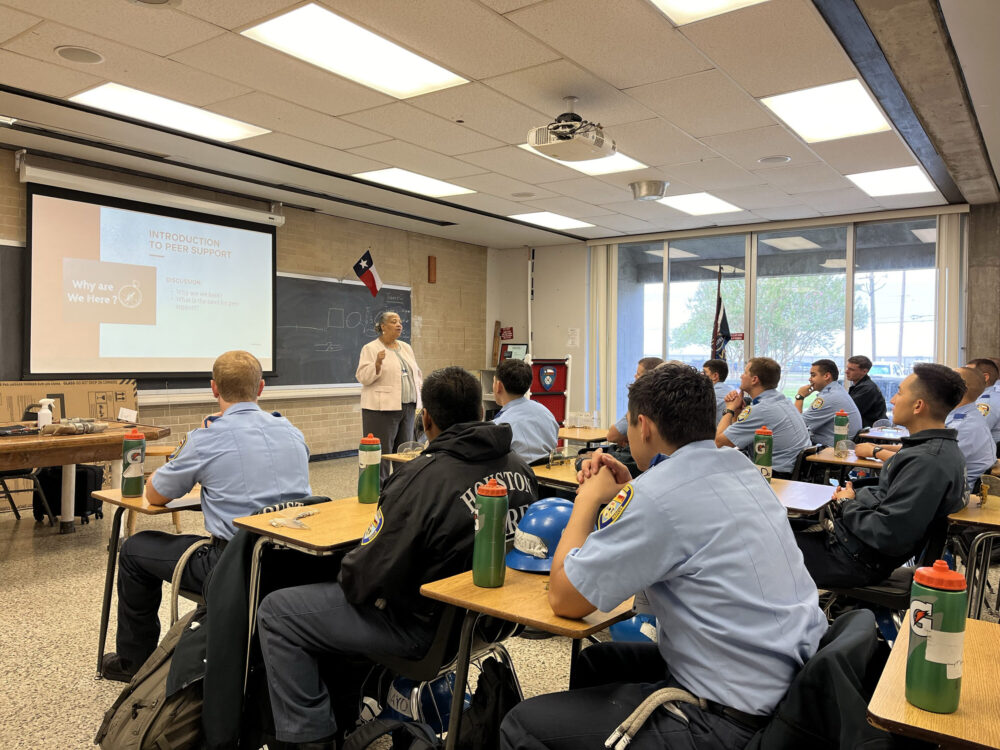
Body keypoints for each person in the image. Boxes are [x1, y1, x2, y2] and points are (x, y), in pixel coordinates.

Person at [501, 363, 827, 750]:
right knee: (597, 663)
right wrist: (636, 490)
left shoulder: (658, 495)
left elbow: (565, 599)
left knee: (521, 725)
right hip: (786, 687)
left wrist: (586, 500)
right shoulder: (740, 468)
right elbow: (682, 510)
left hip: (727, 720)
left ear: (645, 426)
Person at [256, 367, 538, 749]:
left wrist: (340, 568)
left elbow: (365, 578)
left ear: (426, 420)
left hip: (424, 633)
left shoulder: (421, 478)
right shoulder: (519, 467)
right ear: (482, 410)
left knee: (277, 612)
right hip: (488, 624)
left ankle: (309, 741)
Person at [101, 351, 311, 682]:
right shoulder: (291, 431)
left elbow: (155, 494)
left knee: (133, 550)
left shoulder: (208, 437)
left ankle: (134, 663)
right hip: (294, 562)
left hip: (232, 568)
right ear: (261, 388)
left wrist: (195, 451)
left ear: (214, 389)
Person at [795, 363, 967, 589]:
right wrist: (857, 496)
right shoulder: (931, 449)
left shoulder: (927, 461)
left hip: (853, 559)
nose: (894, 400)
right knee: (775, 526)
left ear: (918, 405)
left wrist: (847, 503)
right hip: (851, 544)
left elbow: (888, 533)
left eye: (900, 393)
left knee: (758, 544)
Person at [715, 357, 811, 478]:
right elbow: (736, 440)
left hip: (775, 475)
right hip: (790, 471)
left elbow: (719, 443)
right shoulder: (781, 400)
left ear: (754, 379)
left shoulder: (761, 409)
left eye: (745, 372)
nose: (741, 376)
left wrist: (729, 409)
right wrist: (737, 412)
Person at [356, 311, 423, 482]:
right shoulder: (371, 348)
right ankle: (378, 490)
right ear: (383, 327)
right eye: (394, 321)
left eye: (400, 321)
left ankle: (401, 489)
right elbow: (363, 377)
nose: (399, 325)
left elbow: (416, 375)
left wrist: (421, 398)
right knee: (383, 454)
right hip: (381, 409)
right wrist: (377, 364)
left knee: (404, 453)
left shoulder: (406, 347)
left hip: (407, 407)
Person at [492, 358, 559, 464]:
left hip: (516, 477)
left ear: (498, 386)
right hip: (549, 475)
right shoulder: (546, 413)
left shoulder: (499, 425)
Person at [945, 367, 996, 491]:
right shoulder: (960, 416)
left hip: (953, 494)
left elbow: (929, 462)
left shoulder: (964, 426)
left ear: (960, 390)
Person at [794, 359, 862, 447]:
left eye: (813, 375)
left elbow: (797, 424)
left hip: (832, 450)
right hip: (841, 446)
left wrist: (800, 396)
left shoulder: (828, 397)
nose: (809, 379)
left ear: (826, 376)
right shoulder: (836, 390)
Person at [606, 357, 664, 446]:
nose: (635, 376)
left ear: (648, 378)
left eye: (638, 374)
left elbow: (612, 436)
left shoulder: (643, 402)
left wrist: (627, 438)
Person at [967, 357, 1000, 453]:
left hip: (990, 456)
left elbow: (974, 435)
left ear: (985, 377)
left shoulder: (986, 402)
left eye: (969, 373)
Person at [844, 355, 887, 427]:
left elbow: (849, 411)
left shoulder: (867, 389)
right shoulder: (861, 386)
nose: (846, 371)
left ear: (864, 371)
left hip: (871, 433)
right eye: (847, 368)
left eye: (851, 369)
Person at [702, 358, 730, 423]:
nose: (701, 374)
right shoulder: (728, 389)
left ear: (715, 376)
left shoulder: (713, 393)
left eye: (704, 372)